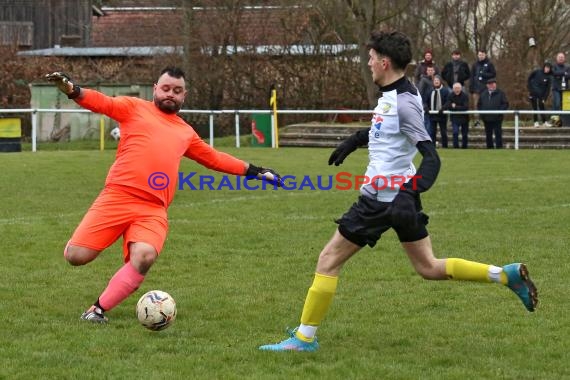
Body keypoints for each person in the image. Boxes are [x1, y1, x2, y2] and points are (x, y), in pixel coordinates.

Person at [259, 31, 538, 353]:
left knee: (328, 260)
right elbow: (386, 131)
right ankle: (505, 275)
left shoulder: (404, 103)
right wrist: (354, 140)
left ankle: (304, 338)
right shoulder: (396, 95)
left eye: (371, 58)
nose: (368, 64)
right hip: (398, 198)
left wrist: (409, 192)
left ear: (384, 61)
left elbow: (431, 157)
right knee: (429, 268)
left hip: (380, 200)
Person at [45, 68, 284, 323]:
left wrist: (256, 171)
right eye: (167, 88)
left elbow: (214, 159)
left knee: (145, 256)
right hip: (117, 197)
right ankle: (80, 247)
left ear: (184, 96)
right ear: (155, 88)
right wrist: (73, 90)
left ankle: (97, 310)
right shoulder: (133, 108)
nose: (171, 94)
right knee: (76, 257)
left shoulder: (185, 132)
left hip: (153, 209)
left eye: (177, 91)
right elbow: (103, 103)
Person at [477, 78, 509, 149]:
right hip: (486, 118)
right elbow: (479, 104)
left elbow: (505, 104)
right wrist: (482, 114)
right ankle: (489, 148)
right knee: (488, 134)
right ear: (487, 85)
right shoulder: (483, 94)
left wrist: (499, 112)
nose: (492, 85)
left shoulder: (501, 93)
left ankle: (499, 148)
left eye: (493, 84)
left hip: (497, 118)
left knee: (498, 133)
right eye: (490, 84)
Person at [469, 50, 496, 127]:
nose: (481, 56)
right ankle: (477, 121)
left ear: (485, 55)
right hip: (476, 89)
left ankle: (487, 120)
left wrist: (484, 75)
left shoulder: (489, 64)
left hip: (486, 89)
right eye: (479, 55)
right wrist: (471, 87)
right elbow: (472, 76)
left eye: (482, 55)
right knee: (476, 105)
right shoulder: (475, 65)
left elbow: (493, 74)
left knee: (486, 105)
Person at [443, 82, 470, 148]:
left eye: (458, 88)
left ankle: (464, 147)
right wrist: (456, 107)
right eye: (455, 88)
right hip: (455, 118)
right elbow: (448, 106)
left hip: (464, 118)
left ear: (461, 88)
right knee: (455, 132)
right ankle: (456, 147)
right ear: (453, 89)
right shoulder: (450, 95)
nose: (457, 89)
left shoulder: (465, 95)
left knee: (464, 134)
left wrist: (455, 107)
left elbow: (465, 107)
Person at [527, 62, 553, 127]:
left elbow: (548, 89)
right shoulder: (537, 72)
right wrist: (530, 88)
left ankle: (544, 122)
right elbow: (529, 78)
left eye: (548, 68)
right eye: (546, 67)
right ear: (544, 67)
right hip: (533, 93)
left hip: (542, 95)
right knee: (534, 108)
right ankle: (535, 122)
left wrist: (545, 98)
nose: (547, 69)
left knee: (542, 107)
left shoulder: (548, 77)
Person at [428, 75, 450, 147]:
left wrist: (443, 108)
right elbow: (425, 101)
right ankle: (432, 147)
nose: (436, 82)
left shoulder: (445, 91)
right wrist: (426, 108)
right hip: (432, 115)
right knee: (432, 132)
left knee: (443, 132)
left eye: (437, 81)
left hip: (442, 115)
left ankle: (445, 146)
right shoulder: (430, 91)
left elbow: (448, 101)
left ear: (440, 82)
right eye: (435, 81)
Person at [417, 66, 436, 134]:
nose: (430, 71)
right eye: (429, 70)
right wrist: (424, 105)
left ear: (434, 71)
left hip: (433, 106)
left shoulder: (435, 80)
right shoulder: (423, 80)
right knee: (427, 126)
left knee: (431, 126)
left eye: (432, 70)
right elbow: (420, 93)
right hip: (426, 107)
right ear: (426, 71)